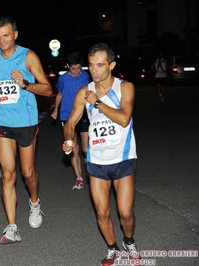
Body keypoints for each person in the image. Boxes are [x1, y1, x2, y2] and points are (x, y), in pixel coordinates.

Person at [62, 43, 141, 265]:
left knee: (125, 213)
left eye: (99, 65)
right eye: (91, 65)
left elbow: (124, 118)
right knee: (102, 212)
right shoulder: (83, 92)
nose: (94, 70)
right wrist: (68, 138)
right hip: (96, 161)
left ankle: (129, 240)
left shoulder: (125, 87)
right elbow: (71, 122)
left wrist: (96, 102)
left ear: (112, 65)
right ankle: (112, 248)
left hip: (123, 157)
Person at [0, 16, 52, 245]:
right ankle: (12, 227)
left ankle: (34, 203)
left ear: (15, 34)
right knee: (8, 174)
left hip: (26, 121)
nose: (2, 40)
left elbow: (47, 89)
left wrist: (24, 84)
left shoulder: (28, 56)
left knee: (27, 173)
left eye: (6, 35)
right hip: (2, 121)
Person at [51, 52, 90, 190]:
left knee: (85, 148)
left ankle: (91, 165)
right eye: (73, 69)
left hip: (84, 115)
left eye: (79, 68)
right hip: (67, 115)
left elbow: (91, 94)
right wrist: (56, 110)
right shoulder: (63, 79)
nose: (76, 71)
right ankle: (79, 178)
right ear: (68, 66)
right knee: (74, 147)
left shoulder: (86, 77)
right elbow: (60, 94)